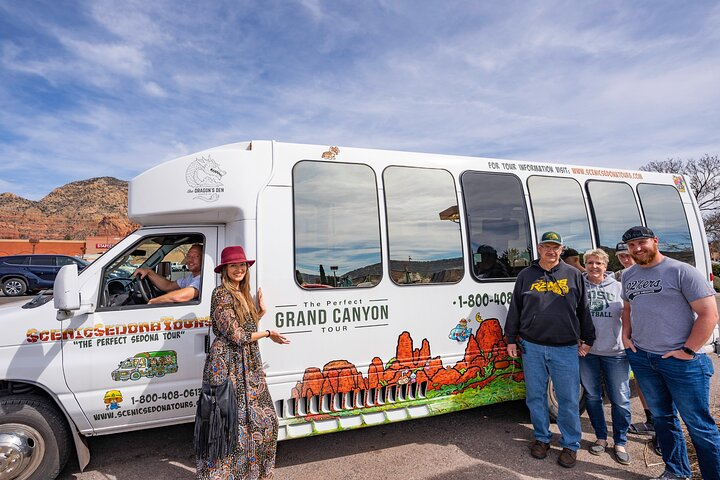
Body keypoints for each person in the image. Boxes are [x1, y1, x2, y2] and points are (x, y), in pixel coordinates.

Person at [620, 226, 720, 480]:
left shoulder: (681, 271)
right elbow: (629, 308)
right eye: (631, 245)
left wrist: (688, 350)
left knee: (699, 426)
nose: (637, 248)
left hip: (681, 363)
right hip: (643, 358)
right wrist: (625, 335)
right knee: (663, 420)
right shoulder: (628, 275)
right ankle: (676, 471)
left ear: (655, 241)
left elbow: (709, 314)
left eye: (642, 242)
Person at [196, 245, 289, 479]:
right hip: (227, 364)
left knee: (264, 420)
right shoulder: (221, 293)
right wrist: (269, 333)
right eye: (233, 265)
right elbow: (236, 335)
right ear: (224, 269)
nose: (239, 269)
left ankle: (249, 473)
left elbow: (242, 327)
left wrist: (259, 313)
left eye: (242, 265)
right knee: (226, 423)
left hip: (247, 363)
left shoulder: (241, 294)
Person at [506, 231, 595, 469]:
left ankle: (570, 444)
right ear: (539, 248)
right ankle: (542, 438)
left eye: (555, 247)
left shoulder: (574, 275)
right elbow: (515, 308)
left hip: (565, 348)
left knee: (567, 399)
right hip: (531, 346)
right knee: (535, 397)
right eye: (547, 246)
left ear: (561, 249)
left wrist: (588, 338)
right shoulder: (526, 275)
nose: (551, 251)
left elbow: (583, 310)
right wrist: (510, 339)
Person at [579, 249, 631, 465]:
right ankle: (601, 437)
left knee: (620, 399)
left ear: (605, 265)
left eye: (598, 263)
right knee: (592, 397)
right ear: (585, 265)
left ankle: (620, 441)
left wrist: (628, 338)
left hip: (616, 353)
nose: (594, 266)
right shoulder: (579, 287)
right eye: (589, 263)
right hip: (587, 353)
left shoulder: (619, 287)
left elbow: (629, 315)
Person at [615, 242, 657, 448]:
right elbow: (626, 310)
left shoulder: (651, 274)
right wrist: (625, 335)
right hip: (631, 340)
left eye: (627, 255)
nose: (625, 259)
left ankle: (662, 433)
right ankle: (651, 421)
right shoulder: (621, 276)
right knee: (641, 381)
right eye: (621, 256)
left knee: (659, 386)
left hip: (654, 341)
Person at [134, 244, 203, 304]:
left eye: (196, 256)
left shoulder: (202, 279)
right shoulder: (190, 277)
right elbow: (168, 285)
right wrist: (149, 272)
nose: (190, 260)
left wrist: (153, 301)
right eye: (189, 256)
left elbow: (178, 297)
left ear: (203, 259)